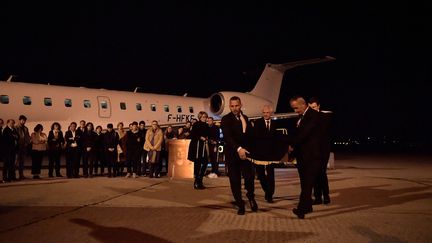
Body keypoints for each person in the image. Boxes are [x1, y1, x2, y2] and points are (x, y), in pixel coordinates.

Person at [289, 95, 326, 219]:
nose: (295, 111)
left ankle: (301, 209)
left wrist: (292, 145)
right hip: (303, 157)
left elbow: (304, 134)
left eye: (296, 108)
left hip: (312, 157)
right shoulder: (301, 117)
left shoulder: (313, 116)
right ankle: (308, 206)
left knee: (307, 184)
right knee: (304, 183)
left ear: (303, 104)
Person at [220, 96, 257, 215]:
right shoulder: (226, 119)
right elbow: (228, 137)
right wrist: (239, 148)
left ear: (241, 105)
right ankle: (240, 204)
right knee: (235, 181)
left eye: (236, 106)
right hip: (233, 155)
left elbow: (250, 137)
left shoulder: (245, 118)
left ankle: (251, 197)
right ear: (229, 106)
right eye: (232, 106)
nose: (234, 108)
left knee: (249, 178)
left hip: (246, 155)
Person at [249, 104, 282, 203]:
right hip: (260, 154)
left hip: (271, 154)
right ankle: (267, 190)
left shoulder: (275, 124)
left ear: (271, 113)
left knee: (271, 175)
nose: (266, 114)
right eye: (264, 113)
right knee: (261, 175)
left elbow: (277, 139)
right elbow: (255, 138)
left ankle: (270, 194)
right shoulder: (258, 123)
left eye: (267, 113)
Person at [308, 97, 332, 205]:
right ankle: (317, 197)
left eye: (314, 107)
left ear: (318, 106)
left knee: (322, 173)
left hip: (323, 150)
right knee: (314, 174)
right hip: (312, 150)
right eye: (310, 108)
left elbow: (322, 130)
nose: (312, 109)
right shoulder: (308, 117)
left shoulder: (324, 116)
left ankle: (326, 196)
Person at [187, 111, 210, 189]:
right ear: (200, 117)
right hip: (197, 146)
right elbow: (193, 134)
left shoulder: (207, 125)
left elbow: (208, 134)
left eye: (206, 117)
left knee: (205, 162)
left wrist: (207, 138)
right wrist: (200, 137)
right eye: (203, 117)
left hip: (203, 146)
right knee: (197, 163)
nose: (205, 118)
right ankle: (196, 182)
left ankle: (200, 179)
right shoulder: (196, 124)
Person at [15, 115, 31, 180]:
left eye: (24, 120)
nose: (23, 121)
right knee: (15, 162)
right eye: (22, 120)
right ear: (19, 120)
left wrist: (27, 143)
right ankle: (13, 176)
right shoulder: (16, 127)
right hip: (17, 147)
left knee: (22, 162)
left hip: (24, 147)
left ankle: (21, 175)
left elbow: (27, 136)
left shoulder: (25, 128)